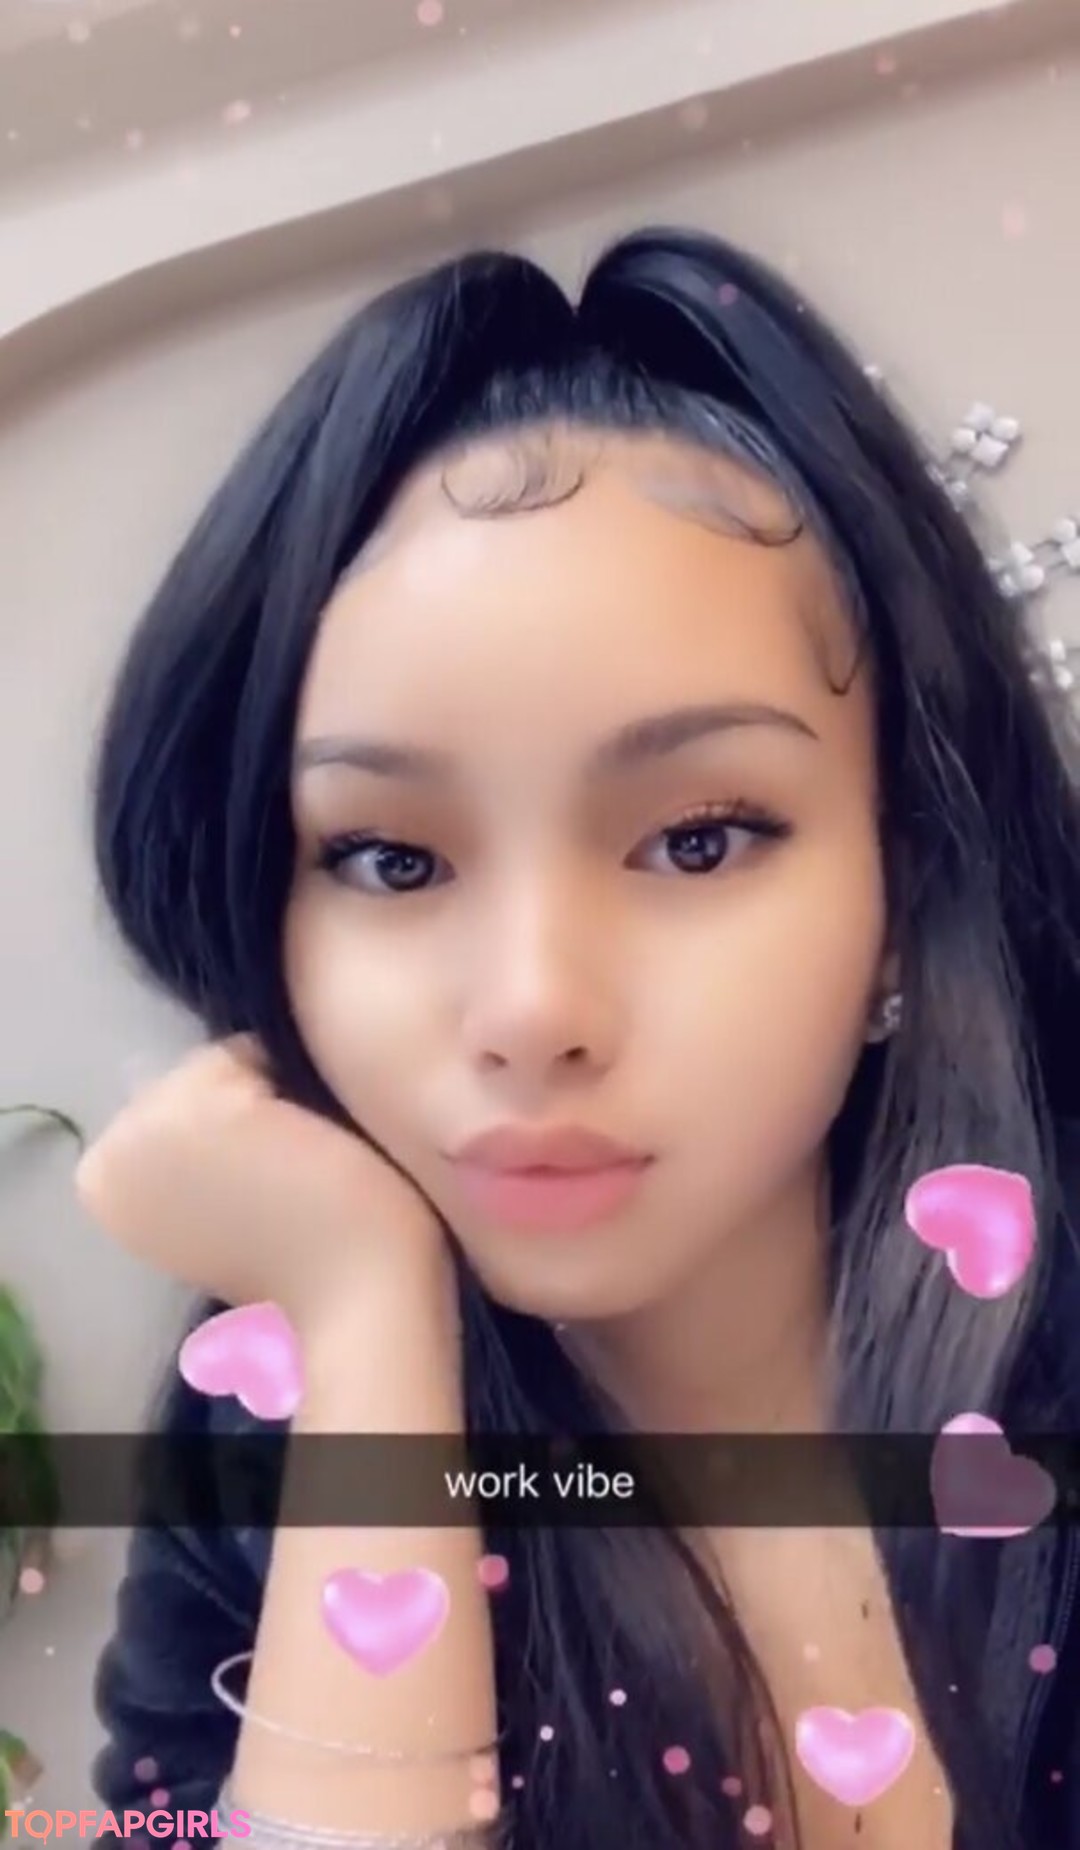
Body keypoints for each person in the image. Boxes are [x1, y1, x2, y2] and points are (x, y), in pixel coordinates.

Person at [74, 225, 1080, 1850]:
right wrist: (366, 1319)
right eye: (390, 860)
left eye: (698, 838)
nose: (534, 1007)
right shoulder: (270, 1459)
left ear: (906, 879)